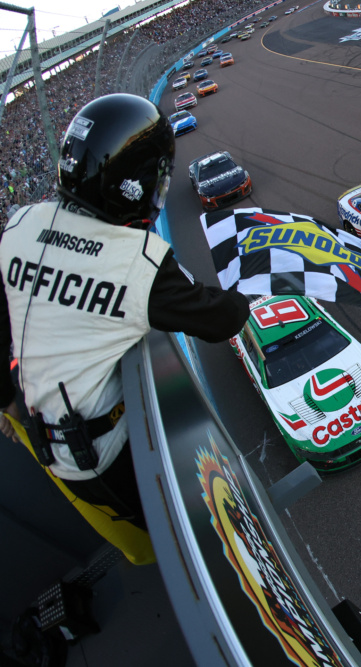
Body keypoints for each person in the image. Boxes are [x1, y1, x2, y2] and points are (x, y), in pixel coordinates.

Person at [0, 93, 249, 531]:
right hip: (107, 456)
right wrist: (246, 289)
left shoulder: (19, 225)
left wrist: (7, 401)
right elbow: (223, 318)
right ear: (133, 183)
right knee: (192, 525)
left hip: (46, 436)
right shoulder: (138, 262)